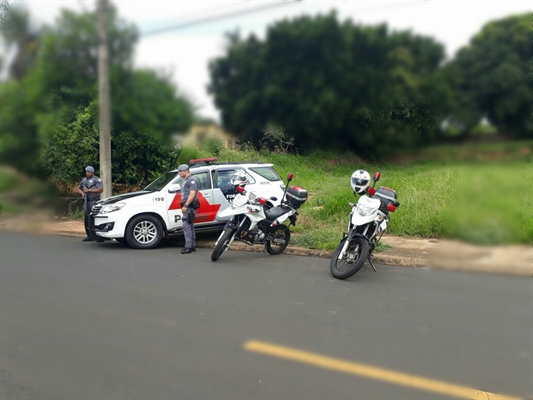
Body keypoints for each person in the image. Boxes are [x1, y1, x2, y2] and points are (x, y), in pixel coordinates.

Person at [178, 164, 200, 254]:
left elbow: (192, 194)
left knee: (186, 225)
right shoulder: (187, 180)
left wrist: (186, 206)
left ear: (186, 171)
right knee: (190, 225)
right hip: (189, 206)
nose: (179, 173)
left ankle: (188, 247)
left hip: (189, 207)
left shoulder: (192, 181)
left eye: (180, 171)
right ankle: (192, 245)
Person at [78, 166, 104, 242]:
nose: (87, 173)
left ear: (92, 172)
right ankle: (89, 235)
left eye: (89, 172)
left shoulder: (97, 179)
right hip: (86, 201)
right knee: (87, 218)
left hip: (94, 201)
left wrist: (89, 190)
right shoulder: (84, 180)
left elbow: (100, 189)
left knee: (95, 218)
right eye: (86, 172)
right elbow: (79, 188)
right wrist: (82, 192)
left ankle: (98, 236)